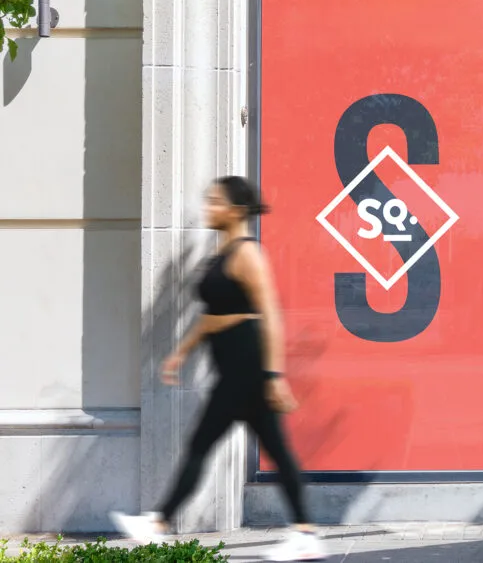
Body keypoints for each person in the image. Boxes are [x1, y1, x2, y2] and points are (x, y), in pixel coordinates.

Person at [110, 176, 325, 562]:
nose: (208, 208)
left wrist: (273, 376)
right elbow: (213, 317)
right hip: (234, 370)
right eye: (208, 201)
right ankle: (304, 532)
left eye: (216, 202)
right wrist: (182, 352)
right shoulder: (220, 253)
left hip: (247, 368)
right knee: (271, 448)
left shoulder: (247, 255)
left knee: (203, 445)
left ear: (237, 211)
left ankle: (158, 523)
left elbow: (271, 314)